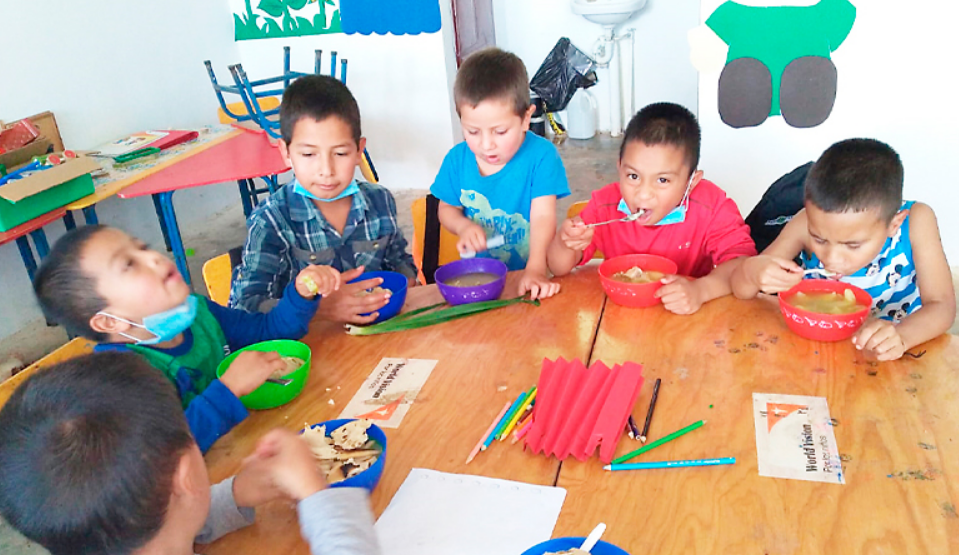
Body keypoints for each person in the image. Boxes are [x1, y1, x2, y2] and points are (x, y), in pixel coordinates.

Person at [0, 353, 388, 555]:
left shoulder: (76, 543)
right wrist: (318, 496)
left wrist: (234, 494)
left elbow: (152, 525)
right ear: (187, 473)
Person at [33, 225, 340, 450]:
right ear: (107, 321)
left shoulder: (200, 314)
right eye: (128, 265)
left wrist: (300, 295)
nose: (153, 259)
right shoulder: (118, 378)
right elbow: (164, 451)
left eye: (143, 247)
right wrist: (228, 389)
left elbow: (269, 333)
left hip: (245, 446)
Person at [731, 138, 955, 360]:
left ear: (893, 224)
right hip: (821, 349)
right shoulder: (805, 222)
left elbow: (942, 306)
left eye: (852, 245)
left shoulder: (916, 222)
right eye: (819, 240)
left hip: (896, 351)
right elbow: (742, 289)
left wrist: (902, 337)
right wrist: (753, 272)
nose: (832, 259)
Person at [230, 75, 417, 323]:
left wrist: (408, 281)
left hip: (377, 337)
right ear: (286, 152)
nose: (326, 170)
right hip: (309, 348)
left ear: (359, 150)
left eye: (340, 153)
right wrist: (319, 309)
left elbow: (398, 262)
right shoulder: (272, 220)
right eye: (309, 154)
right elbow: (244, 307)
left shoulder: (379, 201)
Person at [547, 102, 756, 314]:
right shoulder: (605, 206)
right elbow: (558, 267)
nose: (643, 194)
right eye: (633, 176)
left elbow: (742, 266)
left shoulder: (712, 208)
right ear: (619, 167)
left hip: (689, 319)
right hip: (620, 318)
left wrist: (700, 290)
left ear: (691, 182)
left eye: (663, 180)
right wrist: (565, 244)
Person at [431, 48, 571, 300]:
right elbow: (447, 209)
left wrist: (536, 268)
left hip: (532, 274)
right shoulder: (456, 160)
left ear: (526, 118)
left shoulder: (541, 157)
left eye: (500, 131)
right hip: (482, 279)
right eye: (473, 132)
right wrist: (463, 226)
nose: (486, 145)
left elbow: (542, 216)